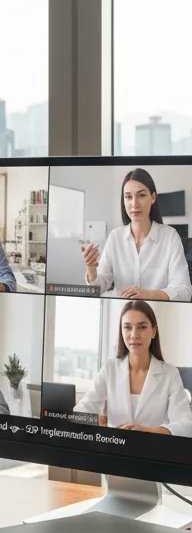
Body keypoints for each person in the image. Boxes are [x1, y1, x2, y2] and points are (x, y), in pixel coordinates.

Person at [74, 300, 192, 436]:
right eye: (127, 327)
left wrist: (147, 431)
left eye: (142, 327)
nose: (134, 335)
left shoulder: (170, 374)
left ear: (153, 331)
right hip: (114, 448)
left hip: (153, 450)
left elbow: (186, 424)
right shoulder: (110, 368)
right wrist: (95, 422)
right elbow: (83, 409)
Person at [81, 168, 191, 302]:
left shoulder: (170, 236)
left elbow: (184, 291)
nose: (134, 204)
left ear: (153, 197)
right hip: (123, 312)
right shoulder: (115, 237)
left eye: (141, 195)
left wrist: (146, 294)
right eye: (128, 197)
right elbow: (98, 289)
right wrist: (92, 270)